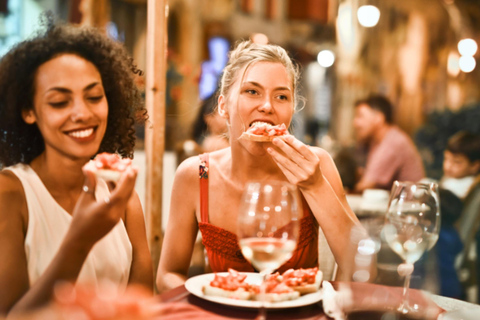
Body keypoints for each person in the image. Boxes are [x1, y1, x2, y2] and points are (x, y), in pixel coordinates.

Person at [156, 40, 361, 291]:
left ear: (291, 109)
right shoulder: (197, 174)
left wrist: (315, 184)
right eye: (252, 91)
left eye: (281, 96)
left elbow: (362, 270)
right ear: (223, 107)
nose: (267, 106)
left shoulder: (317, 164)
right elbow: (167, 274)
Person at [0, 16, 153, 316]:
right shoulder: (10, 195)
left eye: (94, 97)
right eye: (59, 102)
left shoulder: (122, 196)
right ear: (29, 111)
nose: (82, 113)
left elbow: (142, 305)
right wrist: (80, 240)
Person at [353, 95, 425, 192]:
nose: (355, 122)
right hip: (397, 202)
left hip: (409, 204)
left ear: (378, 118)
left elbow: (366, 185)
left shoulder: (393, 143)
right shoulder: (377, 140)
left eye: (360, 116)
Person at [440, 131, 480, 199]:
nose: (448, 166)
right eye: (446, 158)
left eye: (456, 162)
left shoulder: (467, 187)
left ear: (474, 166)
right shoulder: (451, 177)